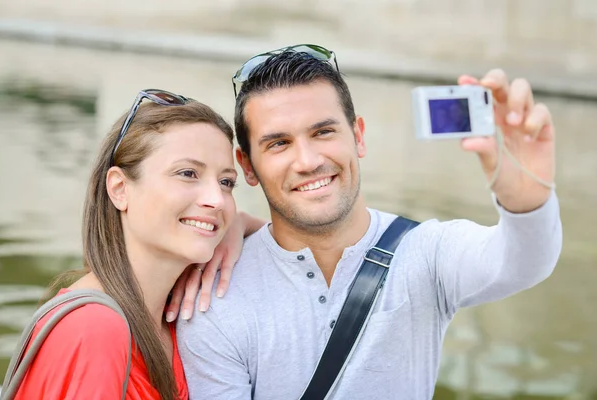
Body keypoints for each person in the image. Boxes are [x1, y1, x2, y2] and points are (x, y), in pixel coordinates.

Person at [175, 45, 563, 399]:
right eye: (279, 143)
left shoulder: (425, 252)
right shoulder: (214, 302)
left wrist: (526, 198)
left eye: (323, 132)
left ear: (358, 136)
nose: (308, 161)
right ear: (248, 167)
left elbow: (522, 263)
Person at [10, 89, 264, 400]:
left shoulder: (172, 319)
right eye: (188, 173)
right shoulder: (95, 330)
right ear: (119, 189)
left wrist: (243, 225)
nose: (215, 199)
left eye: (226, 182)